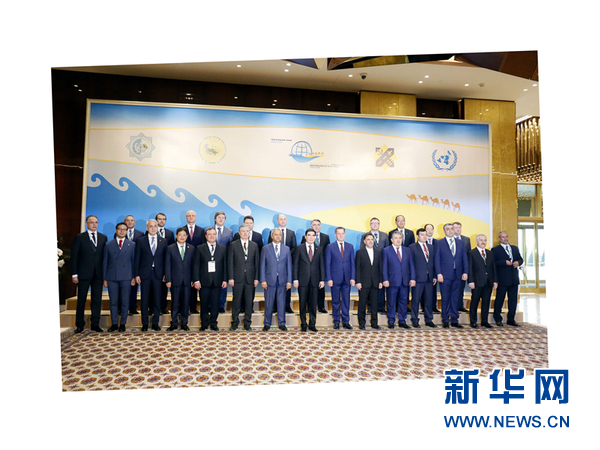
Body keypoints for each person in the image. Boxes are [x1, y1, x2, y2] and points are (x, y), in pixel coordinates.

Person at [71, 215, 107, 333]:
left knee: (96, 300)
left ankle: (95, 324)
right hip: (83, 274)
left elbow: (104, 257)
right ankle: (79, 324)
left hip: (98, 275)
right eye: (91, 222)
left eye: (96, 222)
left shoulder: (103, 238)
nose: (94, 224)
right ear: (87, 224)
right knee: (81, 300)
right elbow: (74, 256)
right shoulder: (80, 237)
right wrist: (74, 274)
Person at [134, 219, 168, 331]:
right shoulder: (141, 241)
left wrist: (165, 274)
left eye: (155, 226)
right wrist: (136, 274)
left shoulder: (163, 241)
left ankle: (155, 323)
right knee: (144, 299)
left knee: (157, 299)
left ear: (157, 228)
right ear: (147, 228)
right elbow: (137, 259)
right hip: (145, 274)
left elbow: (166, 260)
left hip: (159, 275)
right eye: (151, 226)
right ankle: (144, 323)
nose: (153, 228)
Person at [435, 223, 469, 328]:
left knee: (455, 299)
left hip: (458, 275)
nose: (450, 230)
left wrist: (465, 272)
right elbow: (437, 259)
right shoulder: (439, 242)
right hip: (445, 275)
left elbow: (464, 258)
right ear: (444, 231)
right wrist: (439, 273)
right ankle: (445, 320)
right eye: (448, 229)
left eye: (451, 229)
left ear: (454, 231)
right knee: (445, 298)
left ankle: (454, 320)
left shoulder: (460, 243)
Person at [193, 227, 228, 331]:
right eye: (209, 234)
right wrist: (196, 280)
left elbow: (225, 266)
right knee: (203, 304)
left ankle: (213, 323)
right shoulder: (199, 248)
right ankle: (204, 323)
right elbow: (196, 265)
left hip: (217, 281)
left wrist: (225, 279)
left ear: (216, 236)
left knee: (215, 304)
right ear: (206, 236)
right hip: (203, 282)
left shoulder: (222, 248)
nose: (212, 236)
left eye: (214, 234)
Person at [103, 222, 136, 332]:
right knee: (113, 301)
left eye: (124, 229)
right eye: (120, 229)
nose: (122, 231)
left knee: (125, 301)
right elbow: (105, 262)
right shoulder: (108, 244)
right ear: (116, 230)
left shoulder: (132, 244)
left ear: (127, 231)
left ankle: (122, 323)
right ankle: (114, 324)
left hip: (126, 276)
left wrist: (133, 277)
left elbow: (134, 262)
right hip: (112, 277)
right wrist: (104, 278)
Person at [228, 224, 260, 331]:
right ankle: (234, 323)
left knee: (249, 302)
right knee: (236, 302)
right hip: (237, 278)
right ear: (239, 233)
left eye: (247, 231)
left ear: (249, 233)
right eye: (243, 231)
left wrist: (256, 278)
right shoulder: (233, 245)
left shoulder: (254, 245)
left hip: (250, 279)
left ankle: (247, 323)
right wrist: (231, 277)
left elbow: (257, 264)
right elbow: (230, 262)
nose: (245, 233)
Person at [293, 229, 325, 332]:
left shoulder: (319, 249)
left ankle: (312, 324)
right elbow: (296, 265)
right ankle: (303, 324)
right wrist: (295, 279)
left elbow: (321, 265)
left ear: (315, 237)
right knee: (302, 303)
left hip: (315, 280)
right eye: (309, 235)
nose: (311, 237)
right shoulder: (299, 248)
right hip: (302, 280)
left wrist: (322, 280)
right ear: (305, 237)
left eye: (313, 235)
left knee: (313, 303)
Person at [261, 229, 293, 331]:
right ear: (272, 236)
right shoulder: (265, 248)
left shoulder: (286, 249)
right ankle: (267, 323)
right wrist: (263, 280)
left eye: (280, 235)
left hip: (282, 280)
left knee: (281, 303)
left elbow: (289, 266)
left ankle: (282, 323)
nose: (278, 236)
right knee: (269, 303)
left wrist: (289, 281)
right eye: (276, 234)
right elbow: (262, 265)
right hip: (269, 280)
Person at [382, 231, 415, 329]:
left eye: (400, 238)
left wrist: (413, 278)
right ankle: (391, 321)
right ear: (392, 240)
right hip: (392, 281)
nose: (398, 240)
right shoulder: (386, 250)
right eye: (396, 238)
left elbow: (411, 265)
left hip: (405, 281)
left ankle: (402, 321)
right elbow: (384, 266)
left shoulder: (407, 250)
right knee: (391, 302)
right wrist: (385, 279)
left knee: (404, 302)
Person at [164, 227, 195, 331]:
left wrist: (193, 279)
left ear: (187, 237)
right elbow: (167, 265)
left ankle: (184, 323)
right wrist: (168, 280)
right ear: (176, 236)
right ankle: (173, 323)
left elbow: (194, 266)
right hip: (174, 280)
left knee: (186, 303)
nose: (182, 237)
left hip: (187, 281)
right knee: (174, 303)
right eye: (180, 235)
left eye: (184, 235)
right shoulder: (170, 248)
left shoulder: (191, 248)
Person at [325, 227, 356, 329]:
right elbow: (327, 264)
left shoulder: (350, 246)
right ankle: (337, 321)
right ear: (335, 235)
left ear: (345, 234)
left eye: (342, 233)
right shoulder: (330, 247)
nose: (341, 235)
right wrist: (329, 278)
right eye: (339, 233)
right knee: (335, 301)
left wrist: (353, 277)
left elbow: (352, 263)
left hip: (347, 278)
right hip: (335, 279)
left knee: (346, 300)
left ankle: (346, 321)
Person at [491, 231, 523, 327]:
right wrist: (504, 262)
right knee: (499, 299)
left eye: (506, 236)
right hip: (502, 279)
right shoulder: (495, 249)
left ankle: (511, 319)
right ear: (500, 238)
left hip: (513, 278)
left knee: (513, 300)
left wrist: (518, 262)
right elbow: (493, 263)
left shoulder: (515, 248)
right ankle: (498, 319)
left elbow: (521, 259)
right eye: (503, 237)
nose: (505, 238)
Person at [409, 228, 437, 328]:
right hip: (417, 279)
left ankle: (429, 319)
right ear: (417, 236)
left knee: (428, 300)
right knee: (415, 300)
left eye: (425, 234)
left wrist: (434, 275)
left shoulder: (431, 247)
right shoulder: (412, 247)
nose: (425, 236)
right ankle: (415, 320)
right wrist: (412, 278)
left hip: (429, 278)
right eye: (422, 235)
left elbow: (434, 262)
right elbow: (411, 264)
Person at [468, 234, 497, 328]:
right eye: (481, 240)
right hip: (477, 282)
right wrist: (470, 281)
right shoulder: (471, 253)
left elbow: (494, 268)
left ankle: (484, 321)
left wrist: (495, 281)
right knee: (474, 302)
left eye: (485, 240)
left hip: (488, 282)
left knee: (486, 302)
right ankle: (473, 321)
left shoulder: (490, 253)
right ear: (477, 241)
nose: (483, 242)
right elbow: (470, 268)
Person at [268, 214, 296, 314]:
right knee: (275, 285)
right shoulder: (272, 232)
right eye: (281, 219)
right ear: (277, 221)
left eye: (284, 219)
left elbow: (294, 247)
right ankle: (275, 307)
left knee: (286, 286)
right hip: (274, 265)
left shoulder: (291, 233)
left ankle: (287, 306)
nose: (283, 221)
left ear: (286, 221)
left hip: (286, 264)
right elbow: (270, 247)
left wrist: (284, 256)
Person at [301, 219, 330, 314]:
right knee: (308, 288)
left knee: (321, 289)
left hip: (320, 267)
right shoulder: (305, 237)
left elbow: (327, 253)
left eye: (318, 225)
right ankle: (309, 307)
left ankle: (321, 307)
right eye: (314, 225)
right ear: (311, 226)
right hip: (308, 268)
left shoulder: (325, 237)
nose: (316, 226)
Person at [361, 217, 389, 314]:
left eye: (377, 223)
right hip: (369, 265)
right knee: (369, 287)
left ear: (379, 224)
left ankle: (381, 307)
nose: (375, 225)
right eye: (373, 223)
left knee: (380, 287)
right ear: (370, 225)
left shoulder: (385, 235)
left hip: (381, 264)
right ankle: (370, 307)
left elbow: (387, 249)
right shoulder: (364, 236)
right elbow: (362, 251)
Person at [354, 233, 383, 330]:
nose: (370, 241)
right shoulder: (359, 252)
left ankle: (374, 323)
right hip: (363, 283)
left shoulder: (378, 252)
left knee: (374, 305)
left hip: (375, 282)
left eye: (372, 239)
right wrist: (358, 281)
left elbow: (380, 268)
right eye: (368, 239)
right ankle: (361, 323)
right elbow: (357, 268)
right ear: (364, 241)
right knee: (362, 304)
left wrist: (380, 281)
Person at [122, 215, 144, 315]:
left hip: (136, 262)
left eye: (132, 220)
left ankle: (133, 308)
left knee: (134, 286)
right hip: (123, 264)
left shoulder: (141, 234)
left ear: (134, 222)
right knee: (123, 288)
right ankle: (122, 308)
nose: (130, 222)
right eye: (128, 220)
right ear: (124, 222)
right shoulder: (120, 232)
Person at [184, 210, 205, 314]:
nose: (191, 217)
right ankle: (184, 307)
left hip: (197, 261)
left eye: (193, 215)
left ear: (195, 217)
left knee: (195, 283)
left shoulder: (201, 230)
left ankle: (193, 307)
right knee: (185, 285)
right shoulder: (182, 230)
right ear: (186, 217)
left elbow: (203, 246)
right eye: (189, 216)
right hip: (184, 261)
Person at [213, 211, 233, 314]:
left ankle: (221, 305)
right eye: (219, 217)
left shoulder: (229, 231)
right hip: (210, 261)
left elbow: (230, 247)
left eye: (223, 218)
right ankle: (211, 304)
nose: (221, 219)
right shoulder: (208, 230)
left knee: (223, 284)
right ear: (215, 219)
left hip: (223, 261)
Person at [155, 213, 174, 315]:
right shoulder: (150, 231)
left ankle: (163, 307)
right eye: (160, 219)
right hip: (154, 264)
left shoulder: (169, 233)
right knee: (153, 288)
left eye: (164, 219)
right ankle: (152, 308)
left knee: (164, 288)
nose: (162, 221)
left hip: (166, 264)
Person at [453, 222, 472, 313]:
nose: (458, 229)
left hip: (462, 269)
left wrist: (466, 270)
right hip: (450, 269)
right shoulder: (448, 240)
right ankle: (452, 306)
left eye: (459, 227)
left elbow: (468, 255)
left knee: (461, 288)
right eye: (456, 227)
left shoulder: (466, 239)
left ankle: (460, 306)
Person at [425, 223, 440, 313]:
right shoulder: (421, 242)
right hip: (423, 271)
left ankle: (433, 307)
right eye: (428, 229)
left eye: (431, 229)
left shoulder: (438, 242)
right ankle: (424, 307)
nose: (430, 231)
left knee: (433, 289)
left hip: (434, 269)